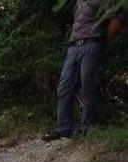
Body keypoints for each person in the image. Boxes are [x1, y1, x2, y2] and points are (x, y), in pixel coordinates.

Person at [43, 0, 123, 141]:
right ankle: (63, 128)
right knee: (64, 87)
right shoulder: (78, 2)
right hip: (73, 46)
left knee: (88, 86)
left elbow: (115, 21)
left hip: (91, 43)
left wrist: (101, 43)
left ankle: (87, 128)